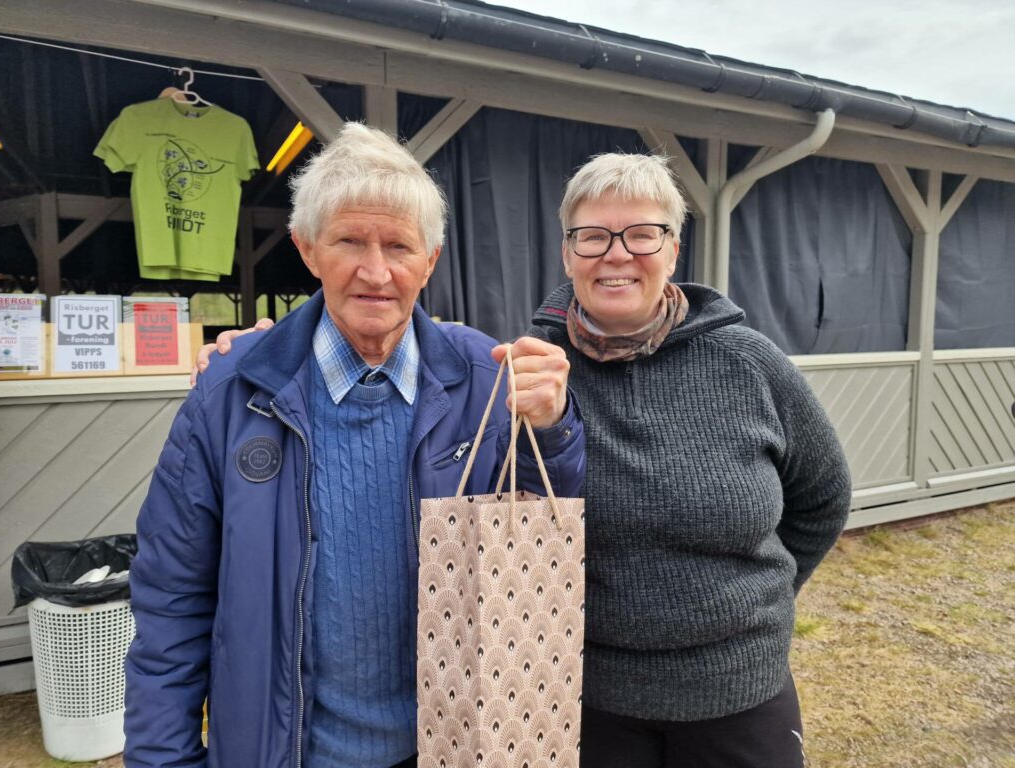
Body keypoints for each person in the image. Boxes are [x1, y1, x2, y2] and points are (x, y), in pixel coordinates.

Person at [199, 151, 852, 768]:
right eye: (593, 236)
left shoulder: (749, 363)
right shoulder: (517, 367)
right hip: (580, 695)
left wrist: (758, 606)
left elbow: (822, 498)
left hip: (741, 693)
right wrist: (272, 347)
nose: (616, 255)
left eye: (642, 235)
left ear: (673, 249)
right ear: (568, 254)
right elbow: (389, 344)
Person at [125, 123, 585, 768]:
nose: (376, 271)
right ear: (307, 249)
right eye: (349, 241)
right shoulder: (232, 391)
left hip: (454, 748)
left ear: (430, 258)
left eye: (399, 245)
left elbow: (543, 537)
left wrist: (554, 428)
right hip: (284, 751)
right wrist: (164, 760)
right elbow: (171, 602)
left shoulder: (487, 378)